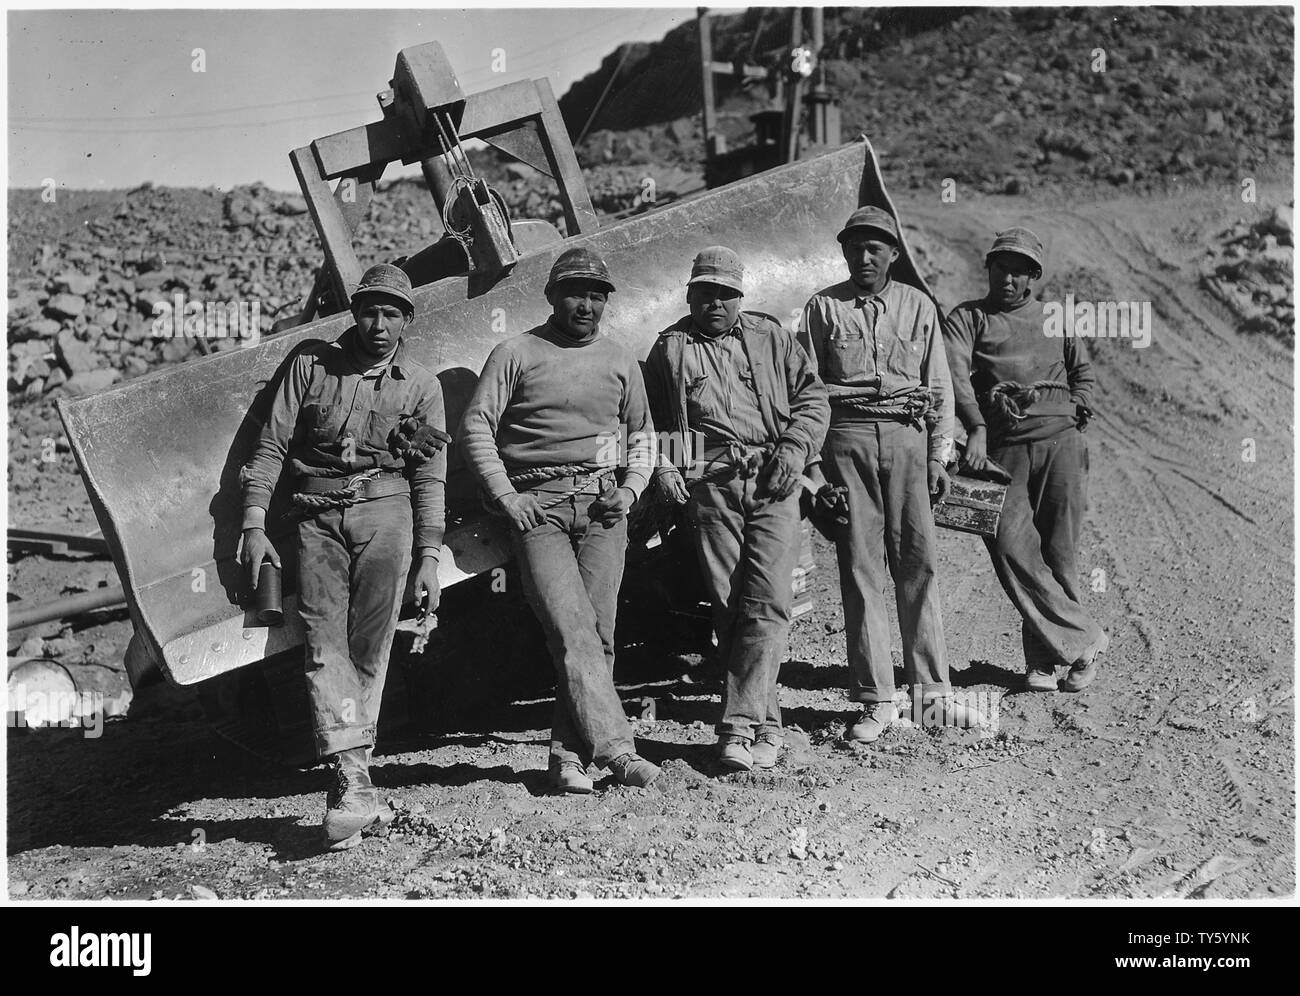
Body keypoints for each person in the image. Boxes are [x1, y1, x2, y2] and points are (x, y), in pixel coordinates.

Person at [240, 263, 446, 851]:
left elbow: (430, 478)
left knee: (369, 645)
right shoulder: (311, 364)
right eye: (369, 311)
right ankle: (354, 779)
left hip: (388, 512)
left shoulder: (420, 386)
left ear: (407, 321)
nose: (378, 325)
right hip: (316, 516)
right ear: (353, 314)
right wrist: (255, 521)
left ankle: (351, 780)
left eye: (391, 314)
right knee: (322, 639)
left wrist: (429, 555)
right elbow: (272, 444)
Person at [458, 247, 661, 794]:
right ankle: (618, 752)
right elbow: (475, 426)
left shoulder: (620, 360)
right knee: (572, 630)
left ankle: (567, 758)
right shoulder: (517, 351)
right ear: (551, 297)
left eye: (597, 295)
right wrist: (506, 496)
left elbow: (643, 436)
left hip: (602, 507)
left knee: (600, 634)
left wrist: (631, 488)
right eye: (576, 293)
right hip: (538, 510)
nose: (587, 305)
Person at [800, 206, 981, 744]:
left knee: (916, 565)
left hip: (907, 440)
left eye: (875, 247)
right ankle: (875, 699)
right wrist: (813, 470)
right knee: (859, 569)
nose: (864, 255)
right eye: (855, 246)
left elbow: (940, 386)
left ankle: (931, 695)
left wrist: (937, 457)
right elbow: (808, 392)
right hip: (846, 441)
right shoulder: (822, 309)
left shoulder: (919, 305)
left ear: (894, 254)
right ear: (844, 251)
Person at [646, 247, 829, 772]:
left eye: (726, 293)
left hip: (773, 477)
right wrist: (664, 469)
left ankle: (736, 727)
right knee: (730, 607)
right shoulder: (671, 349)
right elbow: (653, 420)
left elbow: (813, 401)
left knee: (769, 601)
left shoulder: (771, 337)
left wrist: (794, 450)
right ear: (690, 295)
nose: (716, 303)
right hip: (711, 484)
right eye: (706, 292)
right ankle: (766, 726)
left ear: (741, 296)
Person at [942, 227, 1108, 692]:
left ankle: (1047, 661)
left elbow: (1083, 370)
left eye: (1019, 271)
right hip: (1003, 446)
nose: (1009, 279)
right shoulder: (968, 318)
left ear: (1033, 276)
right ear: (989, 269)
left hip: (1061, 443)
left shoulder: (1055, 316)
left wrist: (1077, 406)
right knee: (1012, 548)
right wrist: (975, 424)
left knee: (1059, 551)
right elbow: (953, 375)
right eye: (1001, 268)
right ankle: (1085, 640)